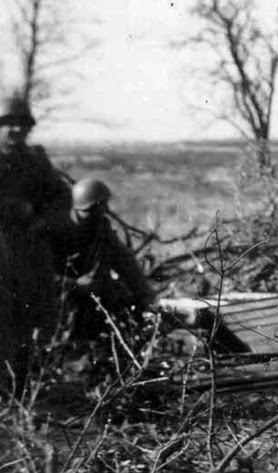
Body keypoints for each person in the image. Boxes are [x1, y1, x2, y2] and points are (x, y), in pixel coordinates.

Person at [0, 93, 72, 396]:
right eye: (8, 124)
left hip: (31, 250)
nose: (15, 130)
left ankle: (25, 387)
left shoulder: (35, 160)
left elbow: (61, 196)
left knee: (34, 316)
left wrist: (43, 222)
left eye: (21, 124)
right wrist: (13, 207)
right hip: (2, 249)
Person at [52, 178, 154, 345]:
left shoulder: (101, 229)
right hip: (61, 301)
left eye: (103, 206)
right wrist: (73, 285)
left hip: (93, 298)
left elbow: (125, 262)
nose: (102, 212)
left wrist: (146, 295)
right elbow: (41, 277)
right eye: (95, 208)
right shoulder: (58, 233)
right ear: (80, 210)